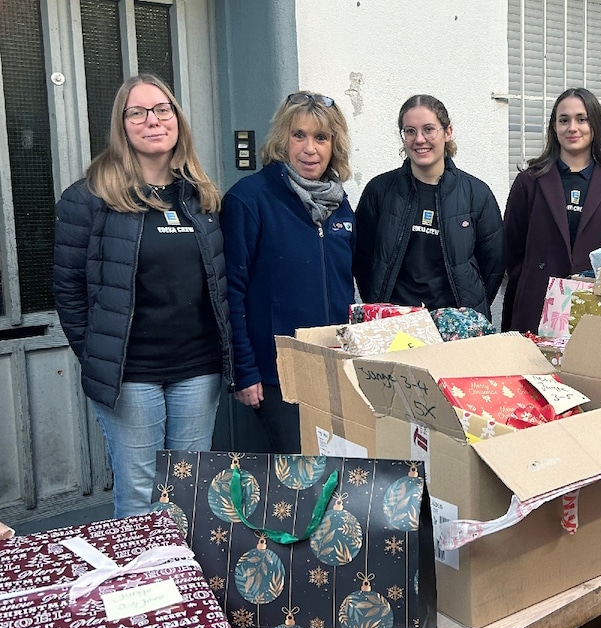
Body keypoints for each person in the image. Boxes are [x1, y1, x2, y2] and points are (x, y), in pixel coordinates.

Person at [53, 74, 233, 518]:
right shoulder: (89, 199)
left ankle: (184, 586)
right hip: (130, 377)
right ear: (122, 124)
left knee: (189, 497)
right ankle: (142, 587)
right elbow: (68, 291)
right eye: (138, 112)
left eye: (162, 110)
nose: (152, 120)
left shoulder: (201, 197)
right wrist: (97, 353)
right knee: (138, 499)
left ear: (177, 120)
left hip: (197, 371)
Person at [221, 91, 355, 453]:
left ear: (334, 145)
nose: (309, 148)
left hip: (334, 365)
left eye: (321, 137)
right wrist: (245, 373)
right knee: (298, 481)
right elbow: (231, 293)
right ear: (283, 139)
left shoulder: (339, 204)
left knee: (339, 474)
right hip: (277, 375)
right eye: (299, 135)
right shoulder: (249, 200)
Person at [353, 94, 504, 321]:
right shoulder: (380, 190)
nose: (419, 139)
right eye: (410, 131)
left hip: (456, 324)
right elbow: (363, 259)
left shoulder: (476, 194)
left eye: (429, 129)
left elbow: (493, 265)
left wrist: (469, 309)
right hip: (395, 322)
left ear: (447, 132)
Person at [501, 87, 601, 334]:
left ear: (595, 125)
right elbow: (512, 249)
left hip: (596, 306)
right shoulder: (529, 182)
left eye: (581, 119)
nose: (572, 127)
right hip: (537, 304)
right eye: (564, 120)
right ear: (554, 127)